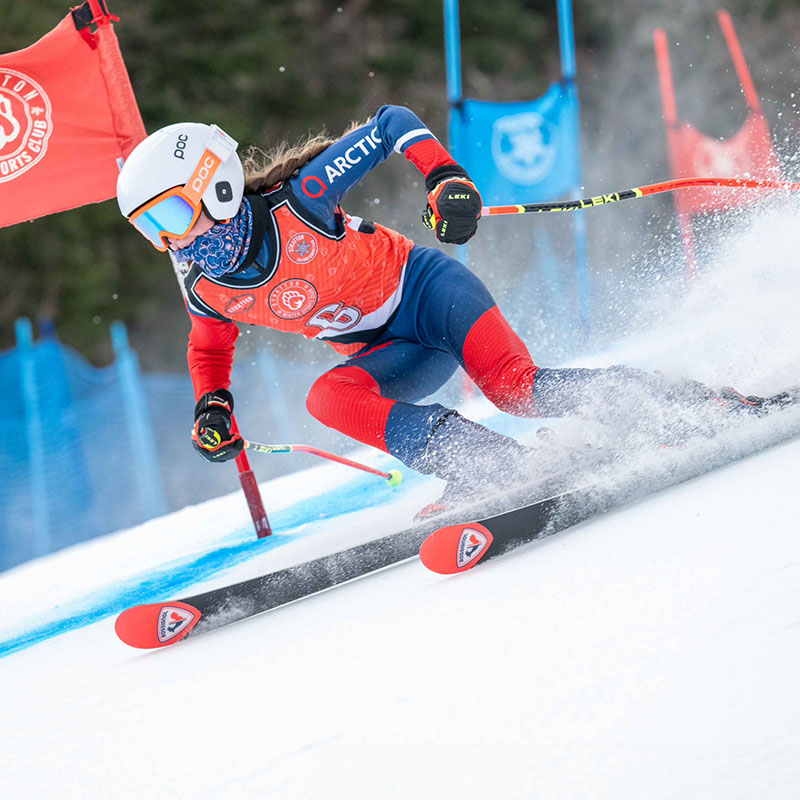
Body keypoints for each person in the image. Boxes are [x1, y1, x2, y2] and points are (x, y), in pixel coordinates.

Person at [116, 106, 774, 517]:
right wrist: (212, 408)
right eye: (153, 229)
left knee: (517, 389)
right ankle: (487, 465)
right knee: (327, 398)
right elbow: (208, 349)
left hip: (431, 294)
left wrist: (444, 178)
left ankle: (683, 403)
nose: (174, 240)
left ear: (218, 183)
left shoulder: (303, 199)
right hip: (389, 353)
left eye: (173, 213)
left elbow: (391, 124)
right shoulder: (207, 287)